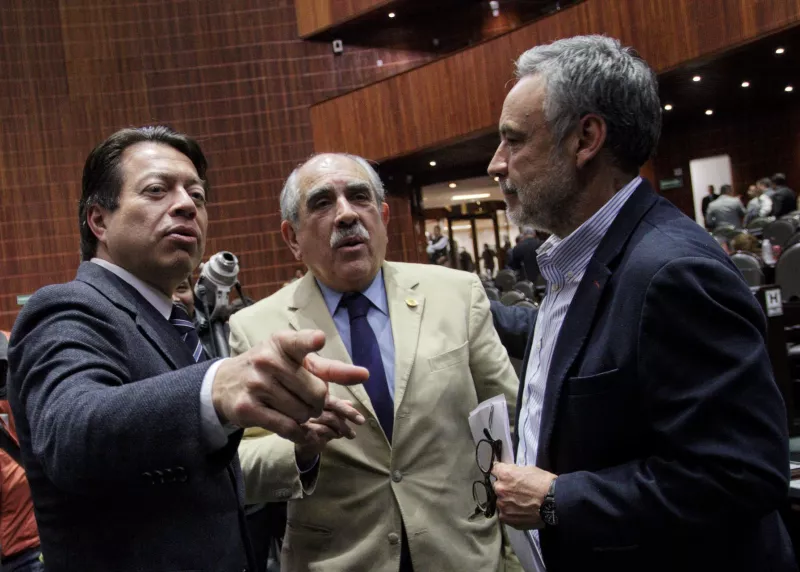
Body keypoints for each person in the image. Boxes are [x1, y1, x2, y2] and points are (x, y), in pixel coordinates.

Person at [486, 35, 793, 572]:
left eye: (514, 141)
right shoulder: (583, 260)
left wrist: (557, 500)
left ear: (585, 139)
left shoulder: (673, 272)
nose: (496, 163)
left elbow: (740, 475)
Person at [6, 126, 368, 572]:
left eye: (196, 196)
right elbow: (69, 432)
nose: (185, 206)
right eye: (156, 190)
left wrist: (300, 443)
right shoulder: (67, 307)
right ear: (99, 220)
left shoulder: (169, 321)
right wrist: (216, 387)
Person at [229, 153, 521, 572]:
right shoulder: (256, 328)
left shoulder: (457, 294)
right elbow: (240, 465)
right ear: (292, 237)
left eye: (359, 197)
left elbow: (506, 427)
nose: (346, 214)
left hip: (465, 555)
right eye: (322, 202)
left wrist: (513, 555)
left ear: (382, 217)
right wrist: (299, 448)